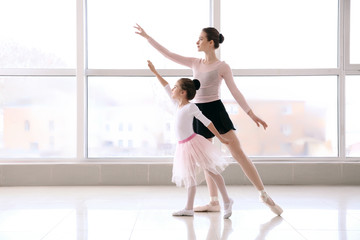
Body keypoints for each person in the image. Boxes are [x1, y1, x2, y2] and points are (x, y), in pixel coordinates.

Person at [135, 24, 283, 216]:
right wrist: (148, 37)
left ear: (211, 43)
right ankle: (214, 202)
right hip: (198, 111)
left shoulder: (222, 67)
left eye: (201, 39)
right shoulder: (195, 63)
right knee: (206, 160)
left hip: (216, 110)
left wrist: (251, 114)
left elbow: (235, 91)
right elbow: (168, 54)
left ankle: (263, 194)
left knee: (238, 153)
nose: (197, 41)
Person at [147, 60, 233, 219]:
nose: (172, 89)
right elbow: (165, 86)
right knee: (189, 176)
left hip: (194, 143)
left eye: (176, 87)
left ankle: (227, 201)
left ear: (183, 92)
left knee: (211, 170)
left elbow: (207, 122)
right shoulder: (176, 104)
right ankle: (188, 208)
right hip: (183, 146)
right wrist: (155, 72)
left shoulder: (191, 107)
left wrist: (220, 137)